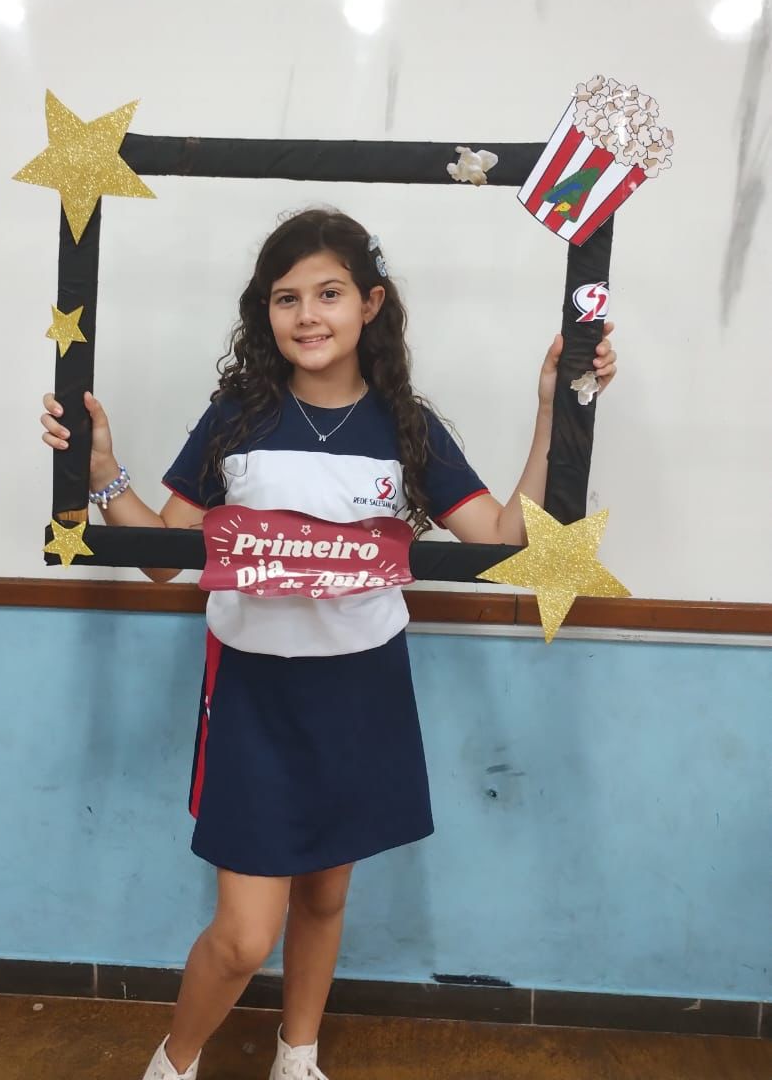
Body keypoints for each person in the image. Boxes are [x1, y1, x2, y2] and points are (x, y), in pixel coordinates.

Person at [39, 208, 617, 1080]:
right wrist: (100, 473)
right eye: (286, 298)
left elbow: (502, 538)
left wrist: (549, 413)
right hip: (253, 696)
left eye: (329, 293)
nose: (307, 315)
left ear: (369, 304)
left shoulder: (406, 425)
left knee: (323, 896)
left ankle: (297, 1054)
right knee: (243, 936)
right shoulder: (234, 418)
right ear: (264, 312)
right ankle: (173, 1063)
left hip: (360, 692)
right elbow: (163, 557)